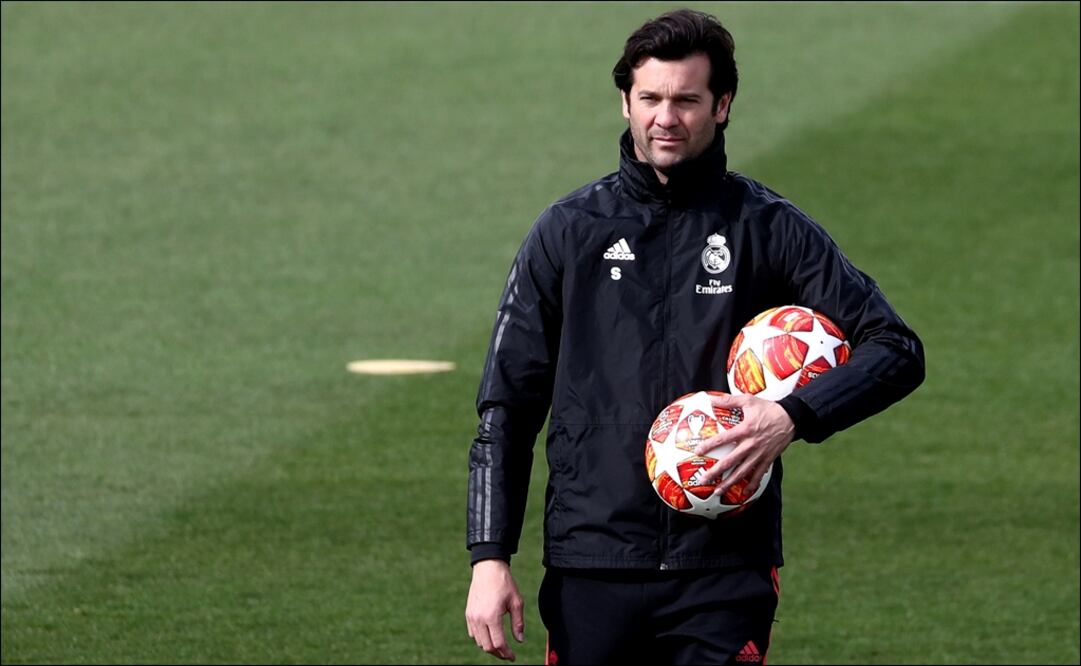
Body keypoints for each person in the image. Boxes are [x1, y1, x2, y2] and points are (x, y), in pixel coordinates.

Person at [464, 8, 925, 665]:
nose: (665, 117)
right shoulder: (567, 231)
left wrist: (788, 415)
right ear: (624, 101)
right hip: (592, 562)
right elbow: (505, 406)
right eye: (649, 98)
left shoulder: (768, 229)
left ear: (722, 105)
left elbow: (896, 348)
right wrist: (489, 556)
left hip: (723, 568)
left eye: (685, 100)